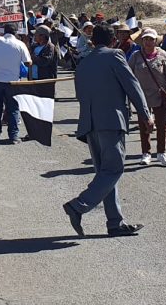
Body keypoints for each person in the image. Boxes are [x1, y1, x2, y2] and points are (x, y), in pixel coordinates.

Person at [64, 23, 153, 237]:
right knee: (113, 170)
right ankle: (79, 205)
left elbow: (80, 95)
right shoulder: (115, 56)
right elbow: (132, 85)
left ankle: (115, 222)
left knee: (105, 173)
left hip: (90, 124)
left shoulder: (84, 62)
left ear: (92, 40)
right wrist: (144, 113)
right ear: (114, 40)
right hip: (111, 121)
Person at [128, 28, 166, 167]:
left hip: (160, 96)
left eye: (151, 39)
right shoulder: (135, 56)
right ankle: (146, 153)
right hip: (142, 97)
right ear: (142, 41)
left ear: (155, 41)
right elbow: (128, 76)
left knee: (162, 125)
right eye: (146, 39)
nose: (148, 42)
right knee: (144, 125)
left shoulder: (163, 55)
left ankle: (161, 153)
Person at [0, 23, 32, 144]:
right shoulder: (20, 44)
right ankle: (14, 137)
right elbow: (28, 62)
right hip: (13, 82)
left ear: (4, 31)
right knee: (13, 109)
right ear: (15, 32)